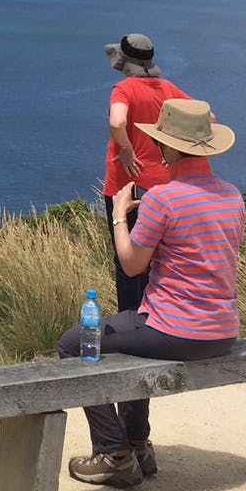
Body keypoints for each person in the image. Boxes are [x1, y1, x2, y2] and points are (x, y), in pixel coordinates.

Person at [57, 97, 244, 489]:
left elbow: (131, 265)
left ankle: (114, 453)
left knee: (74, 343)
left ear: (167, 147)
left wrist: (119, 214)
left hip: (175, 331)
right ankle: (138, 443)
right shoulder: (232, 196)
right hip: (223, 331)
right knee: (131, 341)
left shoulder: (163, 198)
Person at [101, 33, 191, 313]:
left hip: (126, 187)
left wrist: (126, 148)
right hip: (164, 184)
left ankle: (129, 320)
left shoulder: (123, 89)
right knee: (156, 259)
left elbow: (117, 122)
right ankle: (154, 315)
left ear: (124, 61)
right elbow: (207, 117)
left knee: (127, 261)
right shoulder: (168, 88)